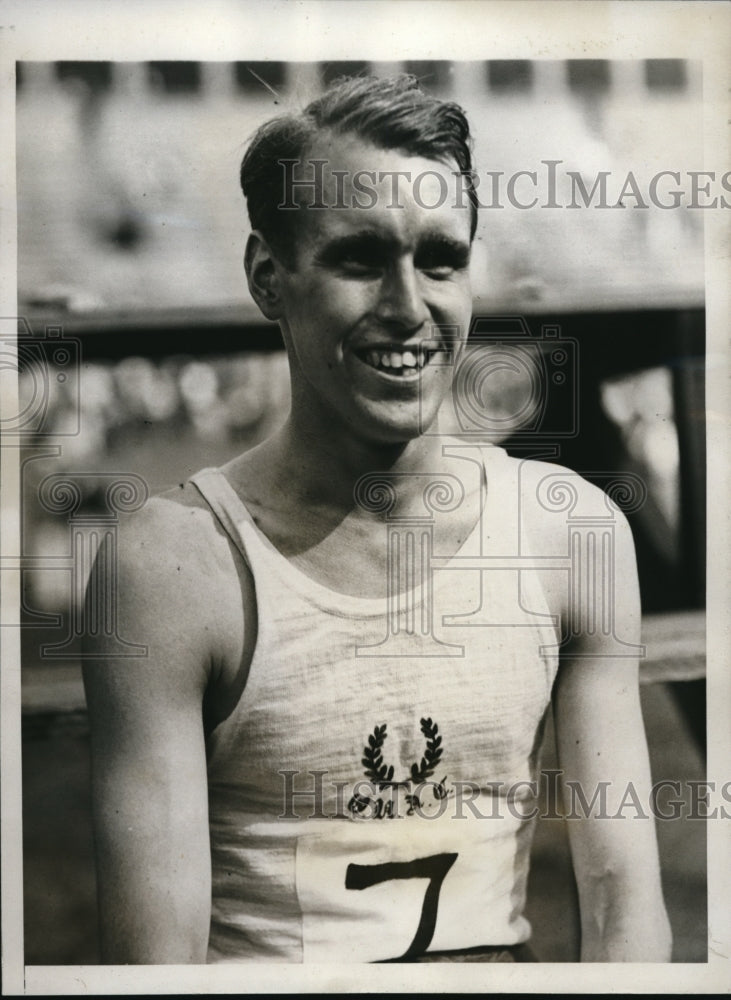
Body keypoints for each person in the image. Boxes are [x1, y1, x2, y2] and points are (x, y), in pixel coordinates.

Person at [82, 74, 672, 964]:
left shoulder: (570, 536)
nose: (408, 306)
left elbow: (625, 909)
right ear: (266, 278)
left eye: (440, 259)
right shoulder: (172, 568)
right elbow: (155, 969)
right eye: (359, 258)